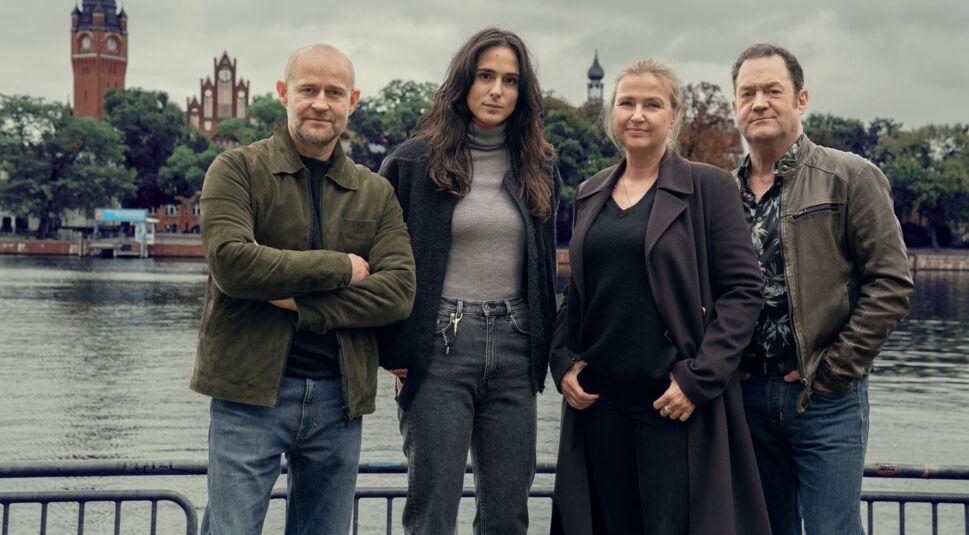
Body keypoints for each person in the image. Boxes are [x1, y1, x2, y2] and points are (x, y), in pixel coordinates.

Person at [191, 44, 416, 535]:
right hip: (247, 394)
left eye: (334, 93)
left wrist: (299, 301)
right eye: (308, 90)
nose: (320, 103)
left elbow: (398, 292)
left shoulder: (375, 191)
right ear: (282, 94)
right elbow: (232, 264)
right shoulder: (235, 170)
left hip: (340, 398)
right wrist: (341, 267)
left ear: (352, 101)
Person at [549, 58, 771, 535]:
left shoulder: (707, 186)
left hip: (672, 402)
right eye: (626, 103)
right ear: (612, 112)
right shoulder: (590, 193)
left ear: (673, 114)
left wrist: (700, 379)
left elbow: (743, 291)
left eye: (652, 104)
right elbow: (579, 292)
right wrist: (561, 358)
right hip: (600, 402)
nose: (637, 114)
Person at [377, 27, 559, 535]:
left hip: (517, 346)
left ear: (523, 93)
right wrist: (397, 350)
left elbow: (544, 268)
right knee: (433, 510)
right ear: (464, 81)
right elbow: (381, 262)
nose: (497, 90)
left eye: (510, 80)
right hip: (438, 345)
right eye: (485, 76)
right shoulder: (412, 162)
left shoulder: (539, 165)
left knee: (508, 514)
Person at [731, 43, 914, 535]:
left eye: (773, 90)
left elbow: (892, 282)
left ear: (801, 99)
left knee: (833, 528)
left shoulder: (850, 176)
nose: (760, 102)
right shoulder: (722, 194)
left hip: (824, 397)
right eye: (747, 92)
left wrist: (835, 370)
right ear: (735, 106)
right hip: (746, 396)